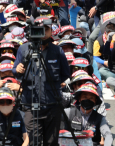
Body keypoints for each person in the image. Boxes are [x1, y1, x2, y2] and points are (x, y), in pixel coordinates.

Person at [13, 16, 70, 146]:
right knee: (34, 142)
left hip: (52, 104)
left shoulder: (58, 51)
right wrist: (18, 69)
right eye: (40, 29)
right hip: (30, 104)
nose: (43, 33)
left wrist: (51, 83)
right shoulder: (24, 49)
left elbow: (65, 73)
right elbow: (14, 71)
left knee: (51, 142)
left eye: (46, 29)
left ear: (51, 31)